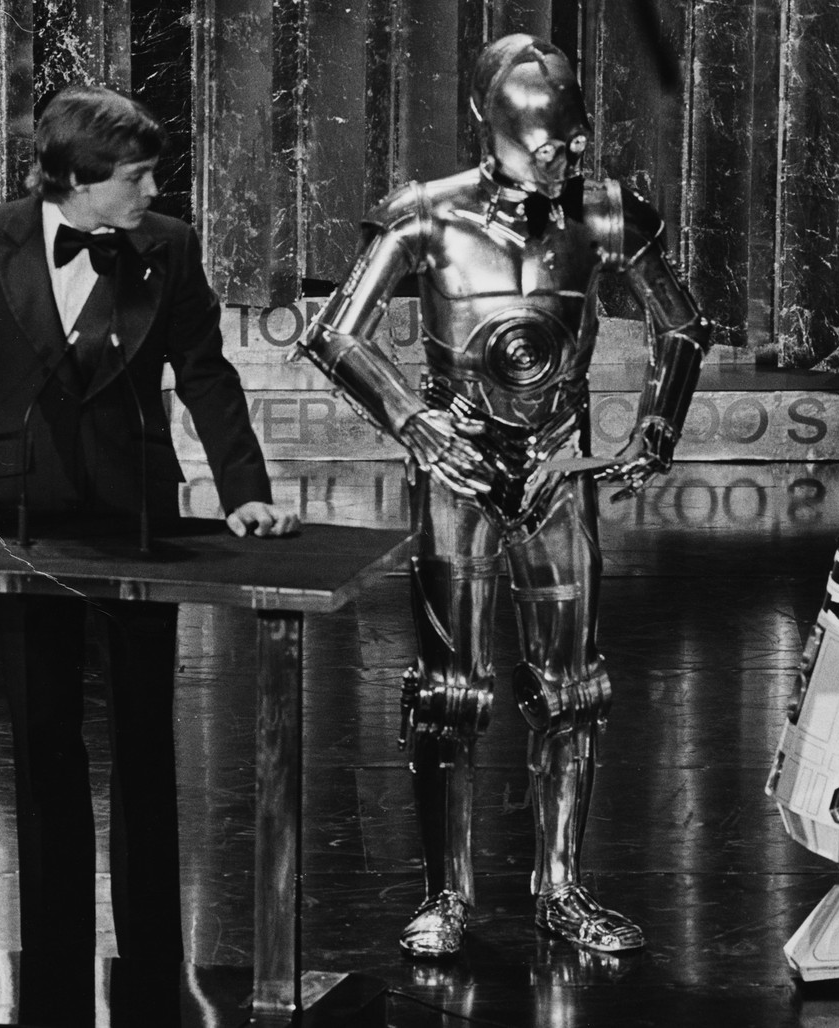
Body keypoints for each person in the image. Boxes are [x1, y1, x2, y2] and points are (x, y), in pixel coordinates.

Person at [0, 84, 298, 995]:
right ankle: (50, 960)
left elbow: (205, 374)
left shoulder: (167, 245)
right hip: (23, 518)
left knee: (144, 737)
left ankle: (154, 961)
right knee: (42, 735)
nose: (151, 190)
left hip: (137, 517)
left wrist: (246, 494)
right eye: (137, 176)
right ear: (79, 183)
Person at [297, 35, 711, 959]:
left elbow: (683, 324)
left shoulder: (603, 215)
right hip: (458, 469)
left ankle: (561, 887)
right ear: (493, 125)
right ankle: (448, 895)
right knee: (449, 692)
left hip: (557, 467)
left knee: (573, 689)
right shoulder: (426, 217)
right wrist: (413, 420)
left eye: (571, 140)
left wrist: (657, 433)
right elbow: (335, 334)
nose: (560, 159)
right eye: (543, 142)